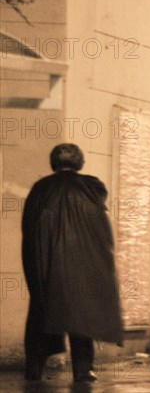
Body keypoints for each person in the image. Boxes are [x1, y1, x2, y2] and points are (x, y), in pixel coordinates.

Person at [21, 143, 123, 382]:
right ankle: (83, 370)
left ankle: (34, 369)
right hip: (83, 266)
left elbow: (29, 228)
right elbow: (101, 232)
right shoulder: (91, 188)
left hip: (48, 267)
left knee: (41, 315)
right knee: (81, 317)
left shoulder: (40, 189)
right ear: (80, 162)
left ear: (53, 162)